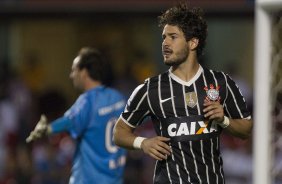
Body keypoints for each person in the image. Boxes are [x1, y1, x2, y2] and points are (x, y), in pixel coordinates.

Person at [113, 3, 252, 184]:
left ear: (193, 42)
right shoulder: (150, 89)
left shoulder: (221, 82)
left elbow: (246, 128)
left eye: (173, 37)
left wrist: (224, 120)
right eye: (164, 37)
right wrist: (143, 143)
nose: (165, 43)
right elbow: (119, 132)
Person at [26, 47, 127, 184]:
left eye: (74, 70)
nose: (71, 75)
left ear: (84, 72)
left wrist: (48, 128)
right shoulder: (118, 98)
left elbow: (69, 120)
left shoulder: (87, 101)